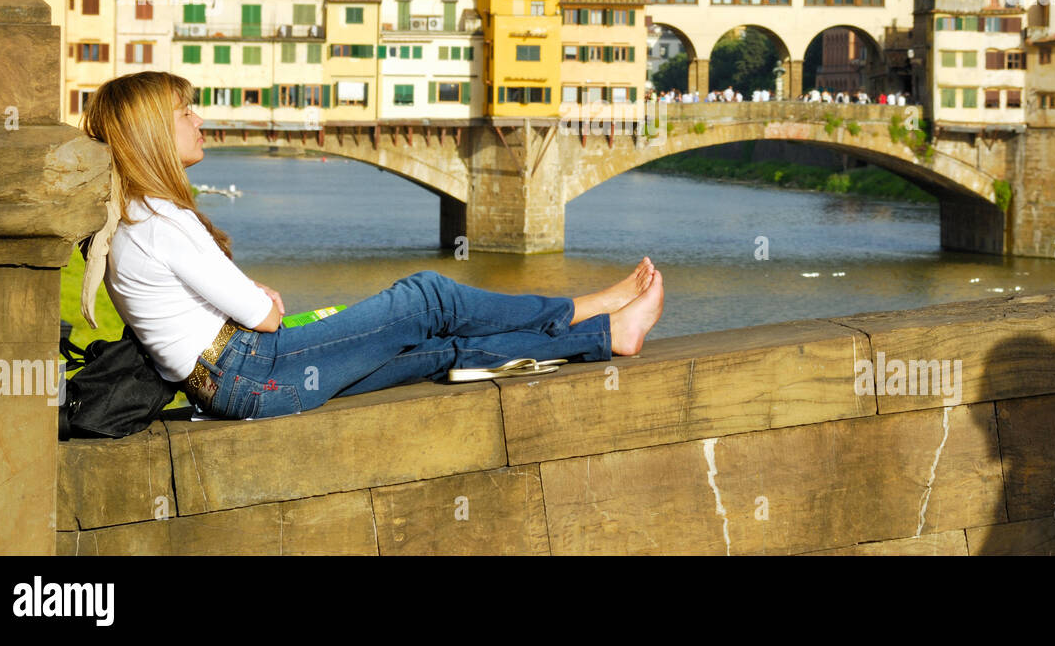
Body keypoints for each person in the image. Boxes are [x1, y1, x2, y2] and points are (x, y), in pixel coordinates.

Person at [77, 72, 665, 421]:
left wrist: (254, 302)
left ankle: (606, 336)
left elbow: (238, 309)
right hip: (255, 369)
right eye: (185, 113)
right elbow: (263, 314)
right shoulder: (160, 219)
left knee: (438, 352)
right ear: (154, 133)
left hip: (238, 386)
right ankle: (583, 308)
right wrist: (259, 301)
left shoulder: (134, 220)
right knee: (427, 298)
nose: (199, 119)